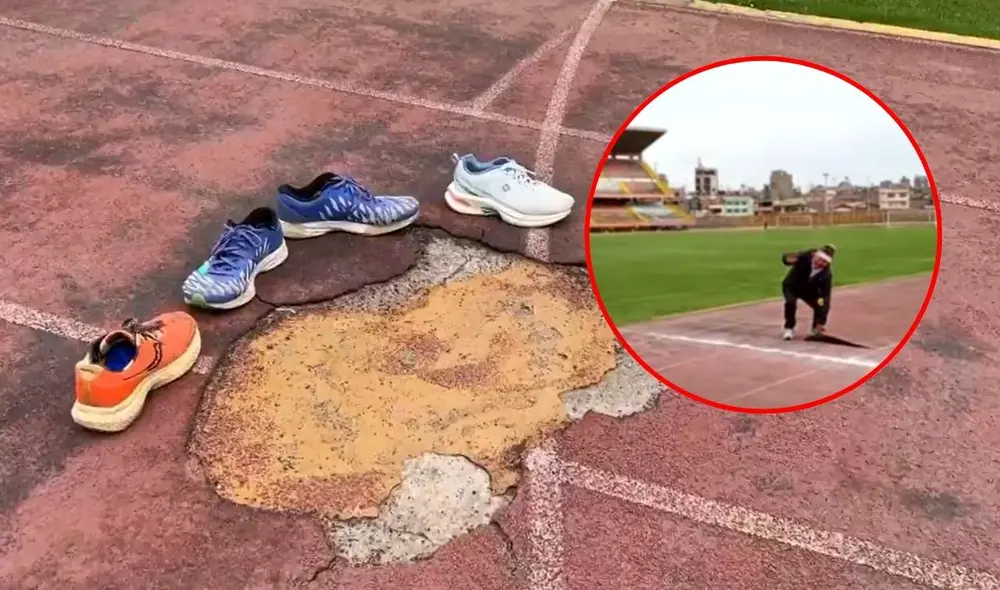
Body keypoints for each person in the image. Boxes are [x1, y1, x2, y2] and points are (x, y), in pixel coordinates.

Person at [780, 244, 835, 340]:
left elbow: (825, 296)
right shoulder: (805, 258)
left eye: (825, 262)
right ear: (815, 256)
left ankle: (816, 329)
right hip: (791, 286)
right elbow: (786, 259)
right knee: (790, 303)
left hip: (807, 291)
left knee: (820, 304)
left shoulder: (826, 274)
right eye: (820, 259)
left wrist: (821, 321)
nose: (821, 263)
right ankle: (789, 328)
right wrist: (791, 258)